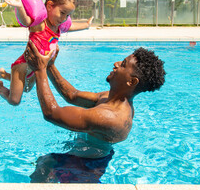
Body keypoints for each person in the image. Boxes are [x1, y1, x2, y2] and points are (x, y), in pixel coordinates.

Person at [24, 41, 166, 183]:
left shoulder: (110, 116)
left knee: (43, 167)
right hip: (87, 153)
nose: (116, 64)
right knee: (44, 162)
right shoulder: (109, 97)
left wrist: (39, 70)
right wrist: (49, 65)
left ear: (132, 81)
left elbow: (51, 113)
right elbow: (72, 95)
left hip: (85, 167)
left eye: (123, 64)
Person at [0, 0, 93, 105]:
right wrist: (20, 6)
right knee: (14, 100)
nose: (64, 18)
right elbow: (26, 21)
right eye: (62, 13)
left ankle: (4, 74)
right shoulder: (40, 24)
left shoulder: (58, 26)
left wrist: (86, 25)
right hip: (23, 66)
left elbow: (71, 26)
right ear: (49, 6)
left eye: (67, 15)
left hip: (36, 67)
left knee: (27, 88)